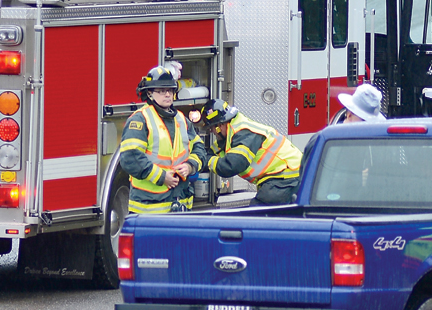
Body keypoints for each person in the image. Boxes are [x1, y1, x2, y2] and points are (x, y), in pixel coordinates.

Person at [118, 65, 207, 214]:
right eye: (161, 91)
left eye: (170, 90)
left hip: (180, 206)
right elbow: (131, 158)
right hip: (149, 209)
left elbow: (199, 148)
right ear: (150, 94)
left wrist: (190, 166)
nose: (167, 94)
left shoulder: (181, 119)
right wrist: (162, 177)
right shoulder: (140, 119)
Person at [201, 99, 303, 206]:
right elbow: (215, 150)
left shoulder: (243, 133)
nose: (212, 132)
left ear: (219, 126)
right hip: (283, 178)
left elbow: (232, 166)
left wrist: (208, 161)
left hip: (286, 179)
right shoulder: (234, 129)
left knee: (256, 215)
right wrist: (198, 160)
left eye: (211, 128)